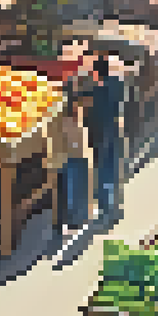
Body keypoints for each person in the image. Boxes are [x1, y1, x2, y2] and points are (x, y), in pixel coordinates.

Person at [50, 76, 93, 239]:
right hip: (74, 156)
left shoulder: (59, 116)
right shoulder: (72, 118)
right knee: (74, 189)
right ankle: (73, 221)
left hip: (64, 156)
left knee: (65, 191)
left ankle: (63, 223)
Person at [87, 55, 126, 220]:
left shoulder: (96, 90)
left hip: (100, 130)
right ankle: (115, 202)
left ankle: (105, 206)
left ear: (96, 73)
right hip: (115, 127)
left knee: (102, 168)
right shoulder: (116, 83)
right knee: (113, 164)